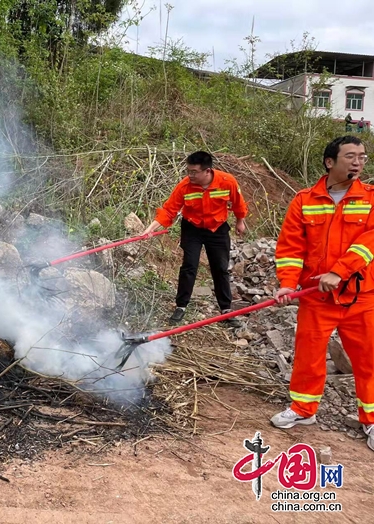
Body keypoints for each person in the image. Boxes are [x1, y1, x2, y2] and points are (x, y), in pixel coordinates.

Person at [271, 135, 374, 453]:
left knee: (368, 359)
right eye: (350, 156)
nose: (358, 162)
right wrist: (288, 282)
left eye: (363, 156)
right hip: (315, 296)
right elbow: (290, 248)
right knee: (308, 356)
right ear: (330, 162)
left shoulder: (371, 198)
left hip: (361, 296)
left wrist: (340, 271)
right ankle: (303, 410)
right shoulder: (305, 200)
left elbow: (370, 241)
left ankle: (370, 419)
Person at [142, 151, 248, 326]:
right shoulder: (184, 186)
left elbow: (238, 203)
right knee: (189, 265)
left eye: (194, 172)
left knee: (220, 268)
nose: (190, 175)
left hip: (217, 228)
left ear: (207, 171)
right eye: (188, 171)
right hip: (193, 228)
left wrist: (240, 221)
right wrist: (149, 230)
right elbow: (168, 210)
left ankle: (226, 310)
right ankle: (181, 306)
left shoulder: (227, 181)